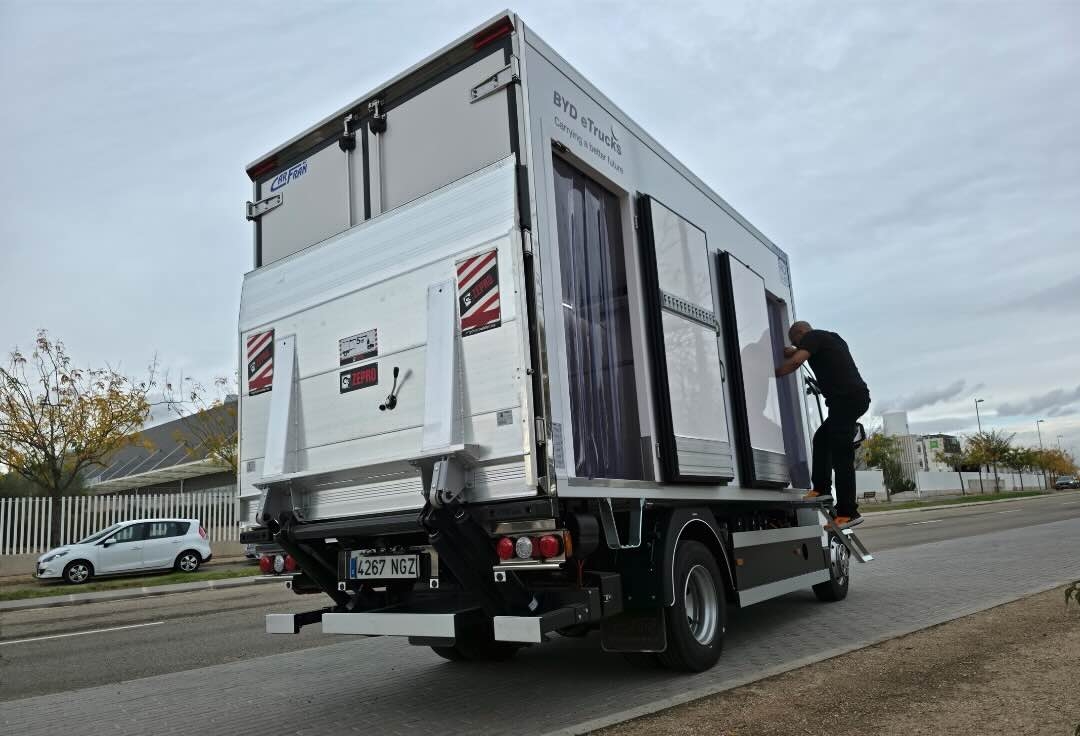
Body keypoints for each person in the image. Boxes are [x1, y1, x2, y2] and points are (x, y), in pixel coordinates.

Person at [775, 321, 870, 526]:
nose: (798, 345)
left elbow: (796, 361)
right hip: (853, 399)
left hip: (846, 401)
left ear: (801, 333)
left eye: (796, 341)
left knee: (841, 456)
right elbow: (799, 351)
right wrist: (791, 349)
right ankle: (821, 489)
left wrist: (773, 373)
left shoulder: (812, 337)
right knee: (821, 440)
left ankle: (848, 512)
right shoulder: (830, 338)